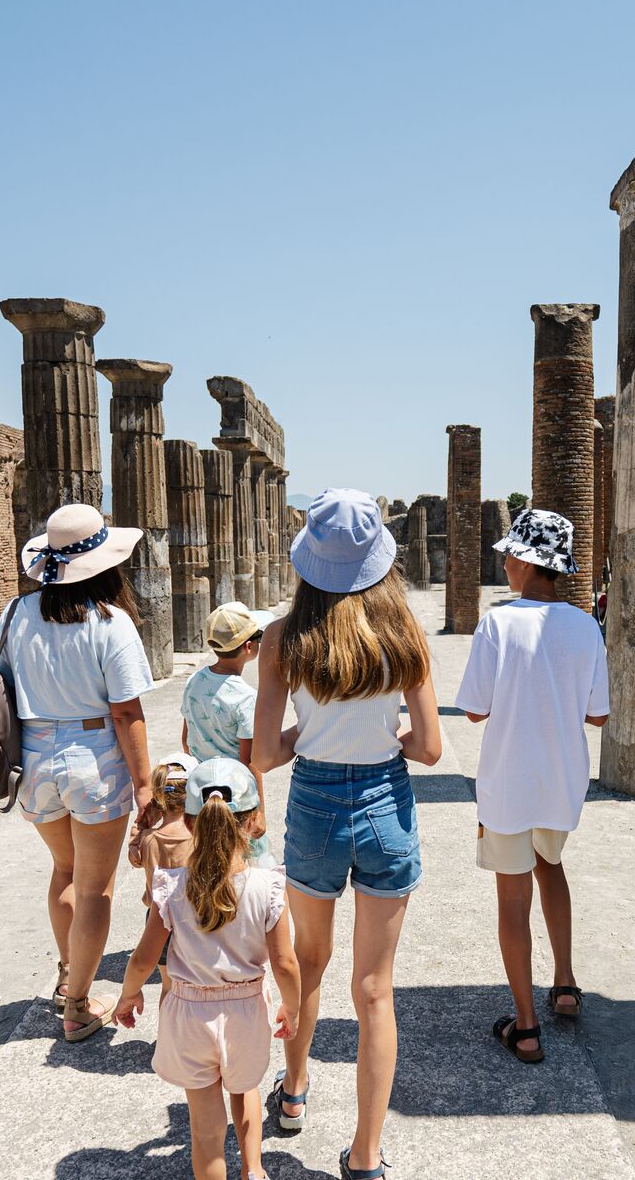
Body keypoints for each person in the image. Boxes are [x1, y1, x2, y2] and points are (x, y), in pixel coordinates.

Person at [250, 488, 442, 1180]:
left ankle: (294, 1092)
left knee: (308, 962)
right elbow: (429, 749)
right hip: (386, 804)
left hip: (316, 807)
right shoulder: (405, 635)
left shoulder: (282, 637)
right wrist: (378, 732)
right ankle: (365, 1155)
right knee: (375, 990)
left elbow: (265, 755)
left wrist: (313, 730)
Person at [453, 508, 609, 1063]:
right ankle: (564, 984)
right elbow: (598, 716)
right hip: (562, 778)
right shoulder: (586, 626)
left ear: (522, 561)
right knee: (552, 868)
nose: (502, 562)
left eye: (507, 554)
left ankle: (524, 1025)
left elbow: (472, 711)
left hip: (508, 782)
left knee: (512, 896)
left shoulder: (498, 623)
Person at [0, 504, 157, 1044]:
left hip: (35, 754)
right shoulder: (111, 623)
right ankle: (79, 1006)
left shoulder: (15, 614)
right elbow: (126, 712)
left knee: (63, 871)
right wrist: (144, 783)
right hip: (94, 758)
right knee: (96, 889)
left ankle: (71, 973)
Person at [115, 758, 301, 1180]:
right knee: (245, 1087)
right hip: (246, 1013)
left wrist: (128, 994)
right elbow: (285, 962)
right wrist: (292, 1006)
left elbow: (144, 958)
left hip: (189, 1015)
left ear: (192, 822)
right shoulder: (267, 886)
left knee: (205, 1129)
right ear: (253, 822)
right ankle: (253, 1169)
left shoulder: (173, 888)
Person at [130, 752, 198, 994]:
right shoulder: (201, 838)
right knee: (199, 983)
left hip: (157, 920)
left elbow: (134, 858)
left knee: (168, 987)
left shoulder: (149, 840)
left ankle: (167, 1031)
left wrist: (143, 821)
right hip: (196, 918)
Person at [182, 602, 268, 766]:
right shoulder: (246, 697)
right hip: (232, 786)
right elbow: (249, 761)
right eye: (259, 636)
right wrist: (257, 793)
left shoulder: (193, 681)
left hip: (200, 780)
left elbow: (186, 740)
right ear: (248, 646)